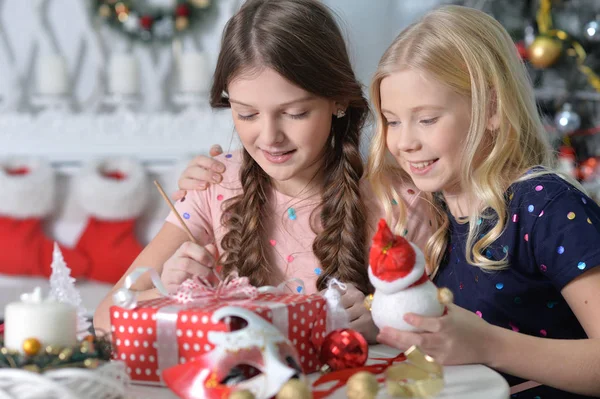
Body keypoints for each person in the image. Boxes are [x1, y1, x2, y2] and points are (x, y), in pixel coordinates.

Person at [93, 0, 433, 344]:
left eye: (296, 113)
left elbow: (439, 331)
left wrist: (380, 326)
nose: (270, 137)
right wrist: (168, 293)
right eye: (247, 114)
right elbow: (107, 318)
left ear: (338, 101)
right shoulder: (212, 185)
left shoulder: (397, 203)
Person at [366, 5, 600, 398]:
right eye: (392, 120)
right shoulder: (429, 209)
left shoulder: (548, 210)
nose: (405, 142)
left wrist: (489, 344)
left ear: (491, 109)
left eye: (426, 119)